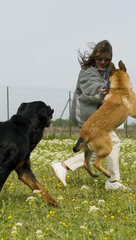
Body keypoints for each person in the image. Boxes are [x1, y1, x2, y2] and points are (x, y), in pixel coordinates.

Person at [51, 40, 129, 191]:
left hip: (99, 115)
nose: (103, 62)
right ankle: (113, 182)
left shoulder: (108, 70)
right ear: (94, 57)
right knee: (113, 142)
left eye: (107, 60)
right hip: (85, 115)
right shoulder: (87, 72)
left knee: (99, 149)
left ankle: (63, 166)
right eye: (100, 59)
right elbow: (91, 88)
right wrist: (103, 89)